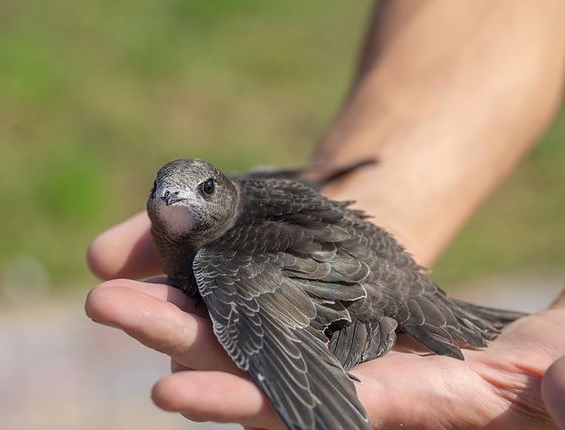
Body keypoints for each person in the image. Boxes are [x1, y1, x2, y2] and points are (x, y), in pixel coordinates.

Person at [85, 1, 565, 428]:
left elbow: (277, 329)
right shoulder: (238, 207)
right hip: (359, 261)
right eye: (163, 195)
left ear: (224, 190)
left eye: (202, 190)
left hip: (374, 285)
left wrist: (318, 400)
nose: (174, 201)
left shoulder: (225, 260)